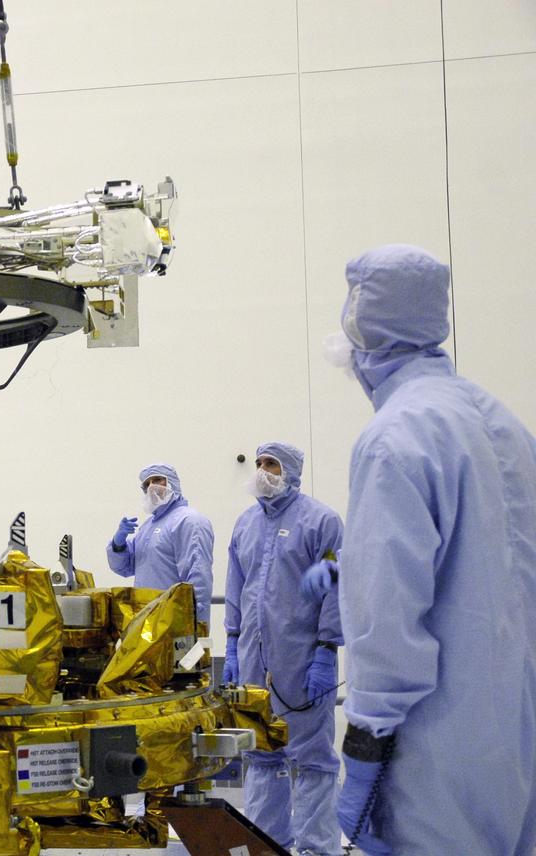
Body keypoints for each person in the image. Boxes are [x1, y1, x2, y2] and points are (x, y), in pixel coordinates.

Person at [314, 244, 536, 855]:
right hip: (518, 739)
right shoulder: (507, 426)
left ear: (362, 324)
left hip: (439, 755)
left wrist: (364, 748)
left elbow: (388, 622)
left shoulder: (395, 439)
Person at [223, 442, 343, 856]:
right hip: (254, 660)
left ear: (291, 469)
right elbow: (236, 589)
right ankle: (266, 845)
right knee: (261, 756)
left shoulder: (321, 522)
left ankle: (316, 849)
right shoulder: (244, 525)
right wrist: (232, 643)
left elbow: (333, 589)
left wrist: (327, 650)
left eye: (270, 463)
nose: (261, 470)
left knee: (311, 759)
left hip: (303, 658)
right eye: (258, 463)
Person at [106, 463, 214, 621]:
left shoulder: (189, 521)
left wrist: (196, 624)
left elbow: (198, 576)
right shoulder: (148, 526)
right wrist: (118, 544)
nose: (151, 487)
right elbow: (125, 567)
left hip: (176, 621)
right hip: (147, 622)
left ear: (172, 483)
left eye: (157, 480)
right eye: (146, 484)